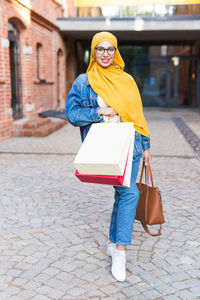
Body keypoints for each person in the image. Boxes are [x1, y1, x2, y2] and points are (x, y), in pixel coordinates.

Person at [66, 32, 152, 282]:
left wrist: (146, 145)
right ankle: (119, 249)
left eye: (110, 49)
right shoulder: (84, 81)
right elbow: (72, 114)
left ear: (116, 52)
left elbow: (137, 114)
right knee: (129, 193)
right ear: (93, 52)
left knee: (124, 193)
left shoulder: (126, 80)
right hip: (104, 146)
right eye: (100, 49)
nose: (105, 53)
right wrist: (98, 110)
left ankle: (117, 247)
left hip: (132, 144)